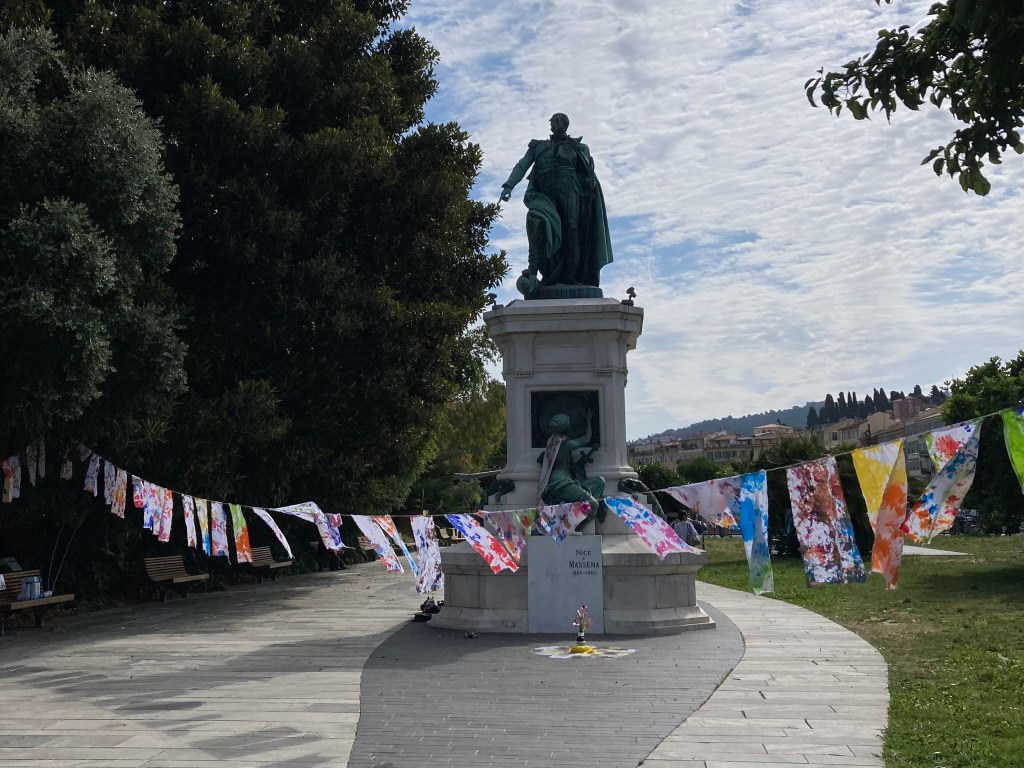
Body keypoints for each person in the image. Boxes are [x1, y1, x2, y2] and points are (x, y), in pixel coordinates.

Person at [500, 113, 613, 294]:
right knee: (535, 222)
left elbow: (586, 173)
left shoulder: (578, 147)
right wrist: (509, 185)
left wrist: (590, 183)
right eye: (552, 122)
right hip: (543, 194)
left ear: (565, 125)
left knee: (572, 230)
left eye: (557, 122)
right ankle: (533, 272)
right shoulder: (539, 146)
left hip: (570, 189)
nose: (554, 125)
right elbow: (522, 165)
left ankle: (570, 275)